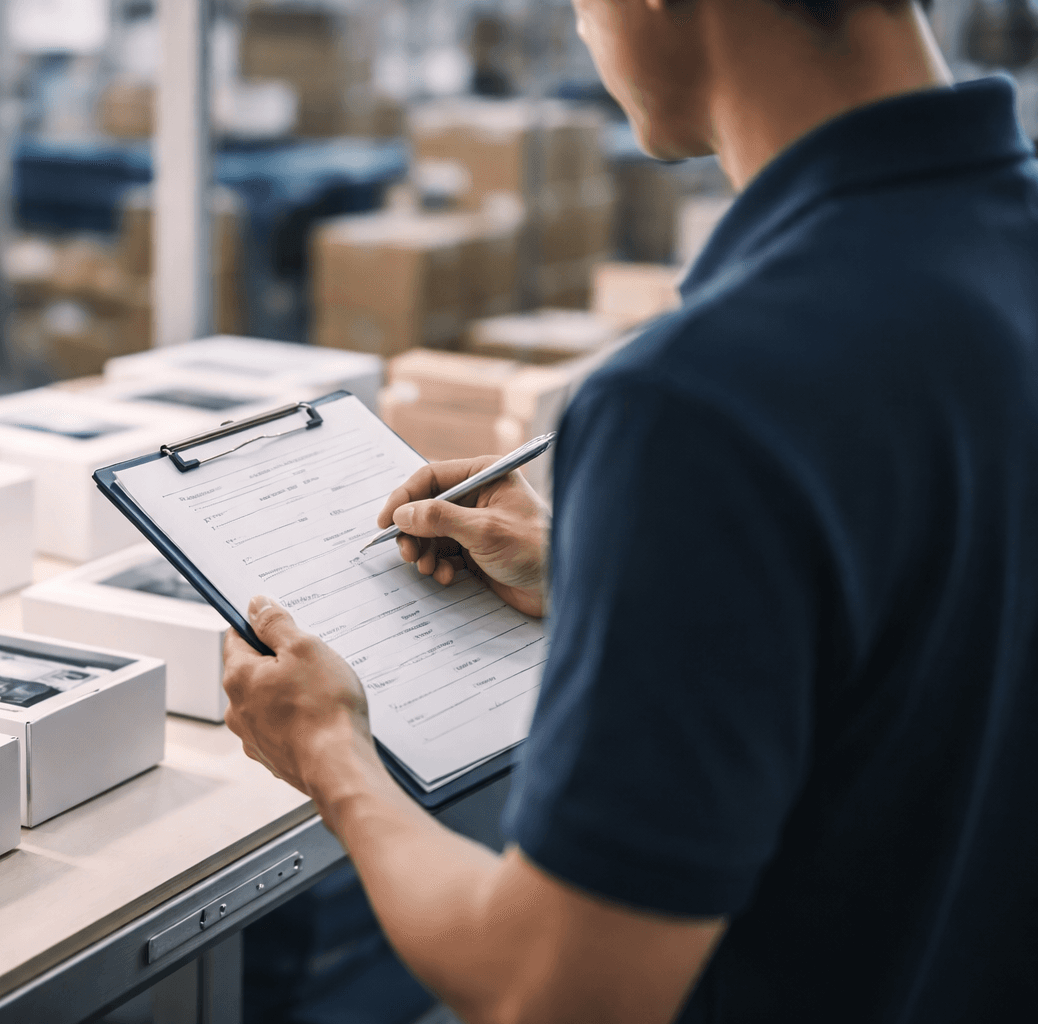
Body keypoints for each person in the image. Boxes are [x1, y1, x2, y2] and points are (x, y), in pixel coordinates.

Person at [219, 0, 1038, 1020]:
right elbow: (957, 600)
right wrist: (608, 574)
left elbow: (553, 991)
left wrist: (330, 752)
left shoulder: (699, 400)